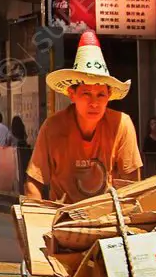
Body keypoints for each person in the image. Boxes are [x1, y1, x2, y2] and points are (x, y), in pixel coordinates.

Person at [24, 30, 143, 203]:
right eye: (86, 94)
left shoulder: (121, 124)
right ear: (72, 94)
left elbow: (132, 184)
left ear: (109, 96)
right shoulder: (53, 127)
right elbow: (34, 182)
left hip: (107, 217)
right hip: (63, 218)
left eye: (100, 95)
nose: (94, 103)